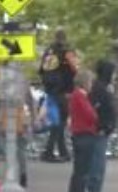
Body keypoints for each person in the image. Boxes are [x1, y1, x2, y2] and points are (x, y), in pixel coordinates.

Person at [38, 28, 78, 162]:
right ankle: (50, 152)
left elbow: (41, 70)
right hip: (64, 92)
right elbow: (75, 69)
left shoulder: (48, 52)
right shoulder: (67, 52)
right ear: (64, 37)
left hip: (50, 91)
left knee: (58, 122)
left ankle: (62, 152)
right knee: (59, 122)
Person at [65, 69, 98, 192]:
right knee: (82, 172)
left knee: (79, 171)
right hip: (84, 135)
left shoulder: (77, 96)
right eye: (90, 82)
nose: (91, 85)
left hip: (80, 135)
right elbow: (91, 115)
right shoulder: (79, 96)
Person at [88, 59, 117, 192]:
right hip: (98, 132)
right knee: (97, 165)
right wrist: (102, 126)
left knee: (99, 165)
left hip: (103, 130)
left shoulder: (104, 88)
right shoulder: (99, 89)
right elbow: (95, 110)